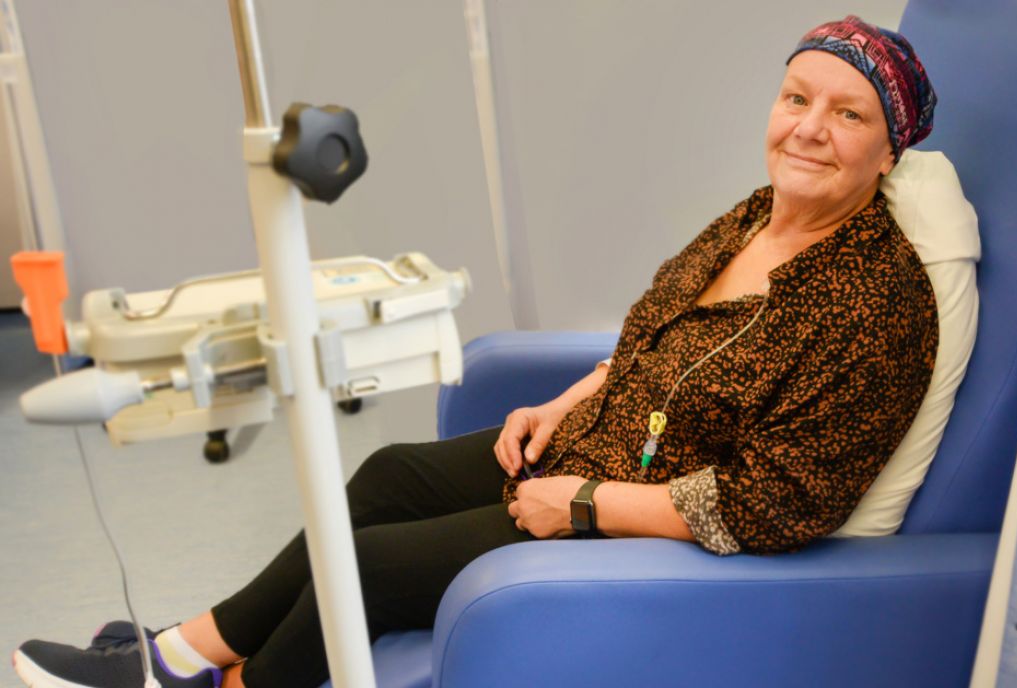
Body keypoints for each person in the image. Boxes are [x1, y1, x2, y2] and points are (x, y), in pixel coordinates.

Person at [13, 15, 939, 688]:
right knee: (386, 476)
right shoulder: (756, 216)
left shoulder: (879, 305)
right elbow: (654, 347)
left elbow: (778, 505)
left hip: (651, 518)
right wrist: (561, 405)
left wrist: (583, 506)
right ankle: (178, 657)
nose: (809, 128)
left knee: (372, 569)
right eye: (796, 98)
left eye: (848, 115)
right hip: (599, 445)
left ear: (890, 151)